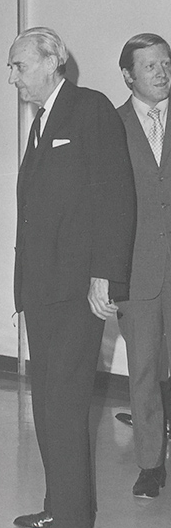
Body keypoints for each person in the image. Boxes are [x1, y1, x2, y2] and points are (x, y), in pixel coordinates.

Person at [8, 27, 136, 528]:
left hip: (78, 289)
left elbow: (115, 195)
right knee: (47, 403)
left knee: (62, 404)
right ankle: (58, 503)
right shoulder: (41, 123)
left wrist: (105, 275)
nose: (11, 75)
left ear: (51, 61)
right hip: (42, 287)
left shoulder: (91, 109)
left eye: (17, 64)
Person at [115, 33, 171, 499]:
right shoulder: (110, 127)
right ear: (129, 75)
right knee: (144, 372)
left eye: (165, 63)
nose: (161, 72)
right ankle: (151, 465)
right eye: (150, 65)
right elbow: (101, 207)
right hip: (137, 272)